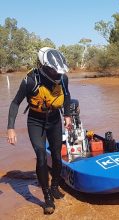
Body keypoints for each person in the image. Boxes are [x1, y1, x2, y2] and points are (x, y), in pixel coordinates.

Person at [7, 47, 72, 214]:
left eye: (59, 71)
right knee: (42, 156)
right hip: (36, 121)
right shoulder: (30, 80)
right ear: (45, 67)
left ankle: (55, 186)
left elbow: (67, 96)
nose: (57, 74)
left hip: (55, 120)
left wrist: (68, 115)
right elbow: (15, 103)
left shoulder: (63, 79)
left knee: (57, 156)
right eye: (54, 71)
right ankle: (47, 196)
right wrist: (11, 128)